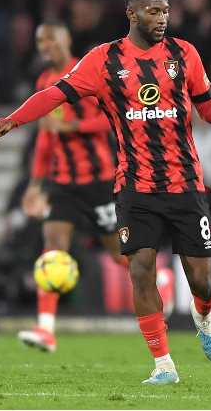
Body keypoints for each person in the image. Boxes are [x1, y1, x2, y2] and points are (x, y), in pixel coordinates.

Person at [0, 0, 211, 385]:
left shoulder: (184, 53)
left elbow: (206, 107)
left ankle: (203, 313)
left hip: (186, 183)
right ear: (131, 13)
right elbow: (55, 94)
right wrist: (13, 119)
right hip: (133, 185)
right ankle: (163, 364)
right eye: (153, 11)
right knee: (140, 269)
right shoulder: (103, 61)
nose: (162, 18)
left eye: (166, 10)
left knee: (203, 281)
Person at [17, 22, 125, 353]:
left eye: (51, 38)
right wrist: (36, 184)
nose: (45, 45)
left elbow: (113, 119)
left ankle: (155, 283)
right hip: (62, 182)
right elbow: (46, 139)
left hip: (98, 181)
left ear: (66, 39)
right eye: (39, 41)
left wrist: (73, 125)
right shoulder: (43, 82)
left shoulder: (88, 72)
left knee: (120, 254)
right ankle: (46, 330)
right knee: (52, 246)